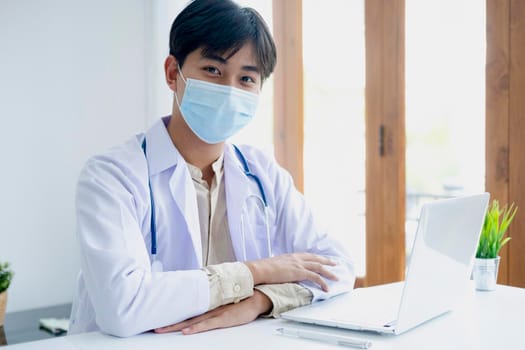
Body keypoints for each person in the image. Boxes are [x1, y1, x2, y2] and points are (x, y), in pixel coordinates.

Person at [69, 0, 355, 338]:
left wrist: (261, 299)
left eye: (247, 78)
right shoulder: (112, 176)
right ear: (173, 74)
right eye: (213, 71)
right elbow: (123, 306)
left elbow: (338, 266)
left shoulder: (262, 172)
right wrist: (256, 273)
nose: (229, 90)